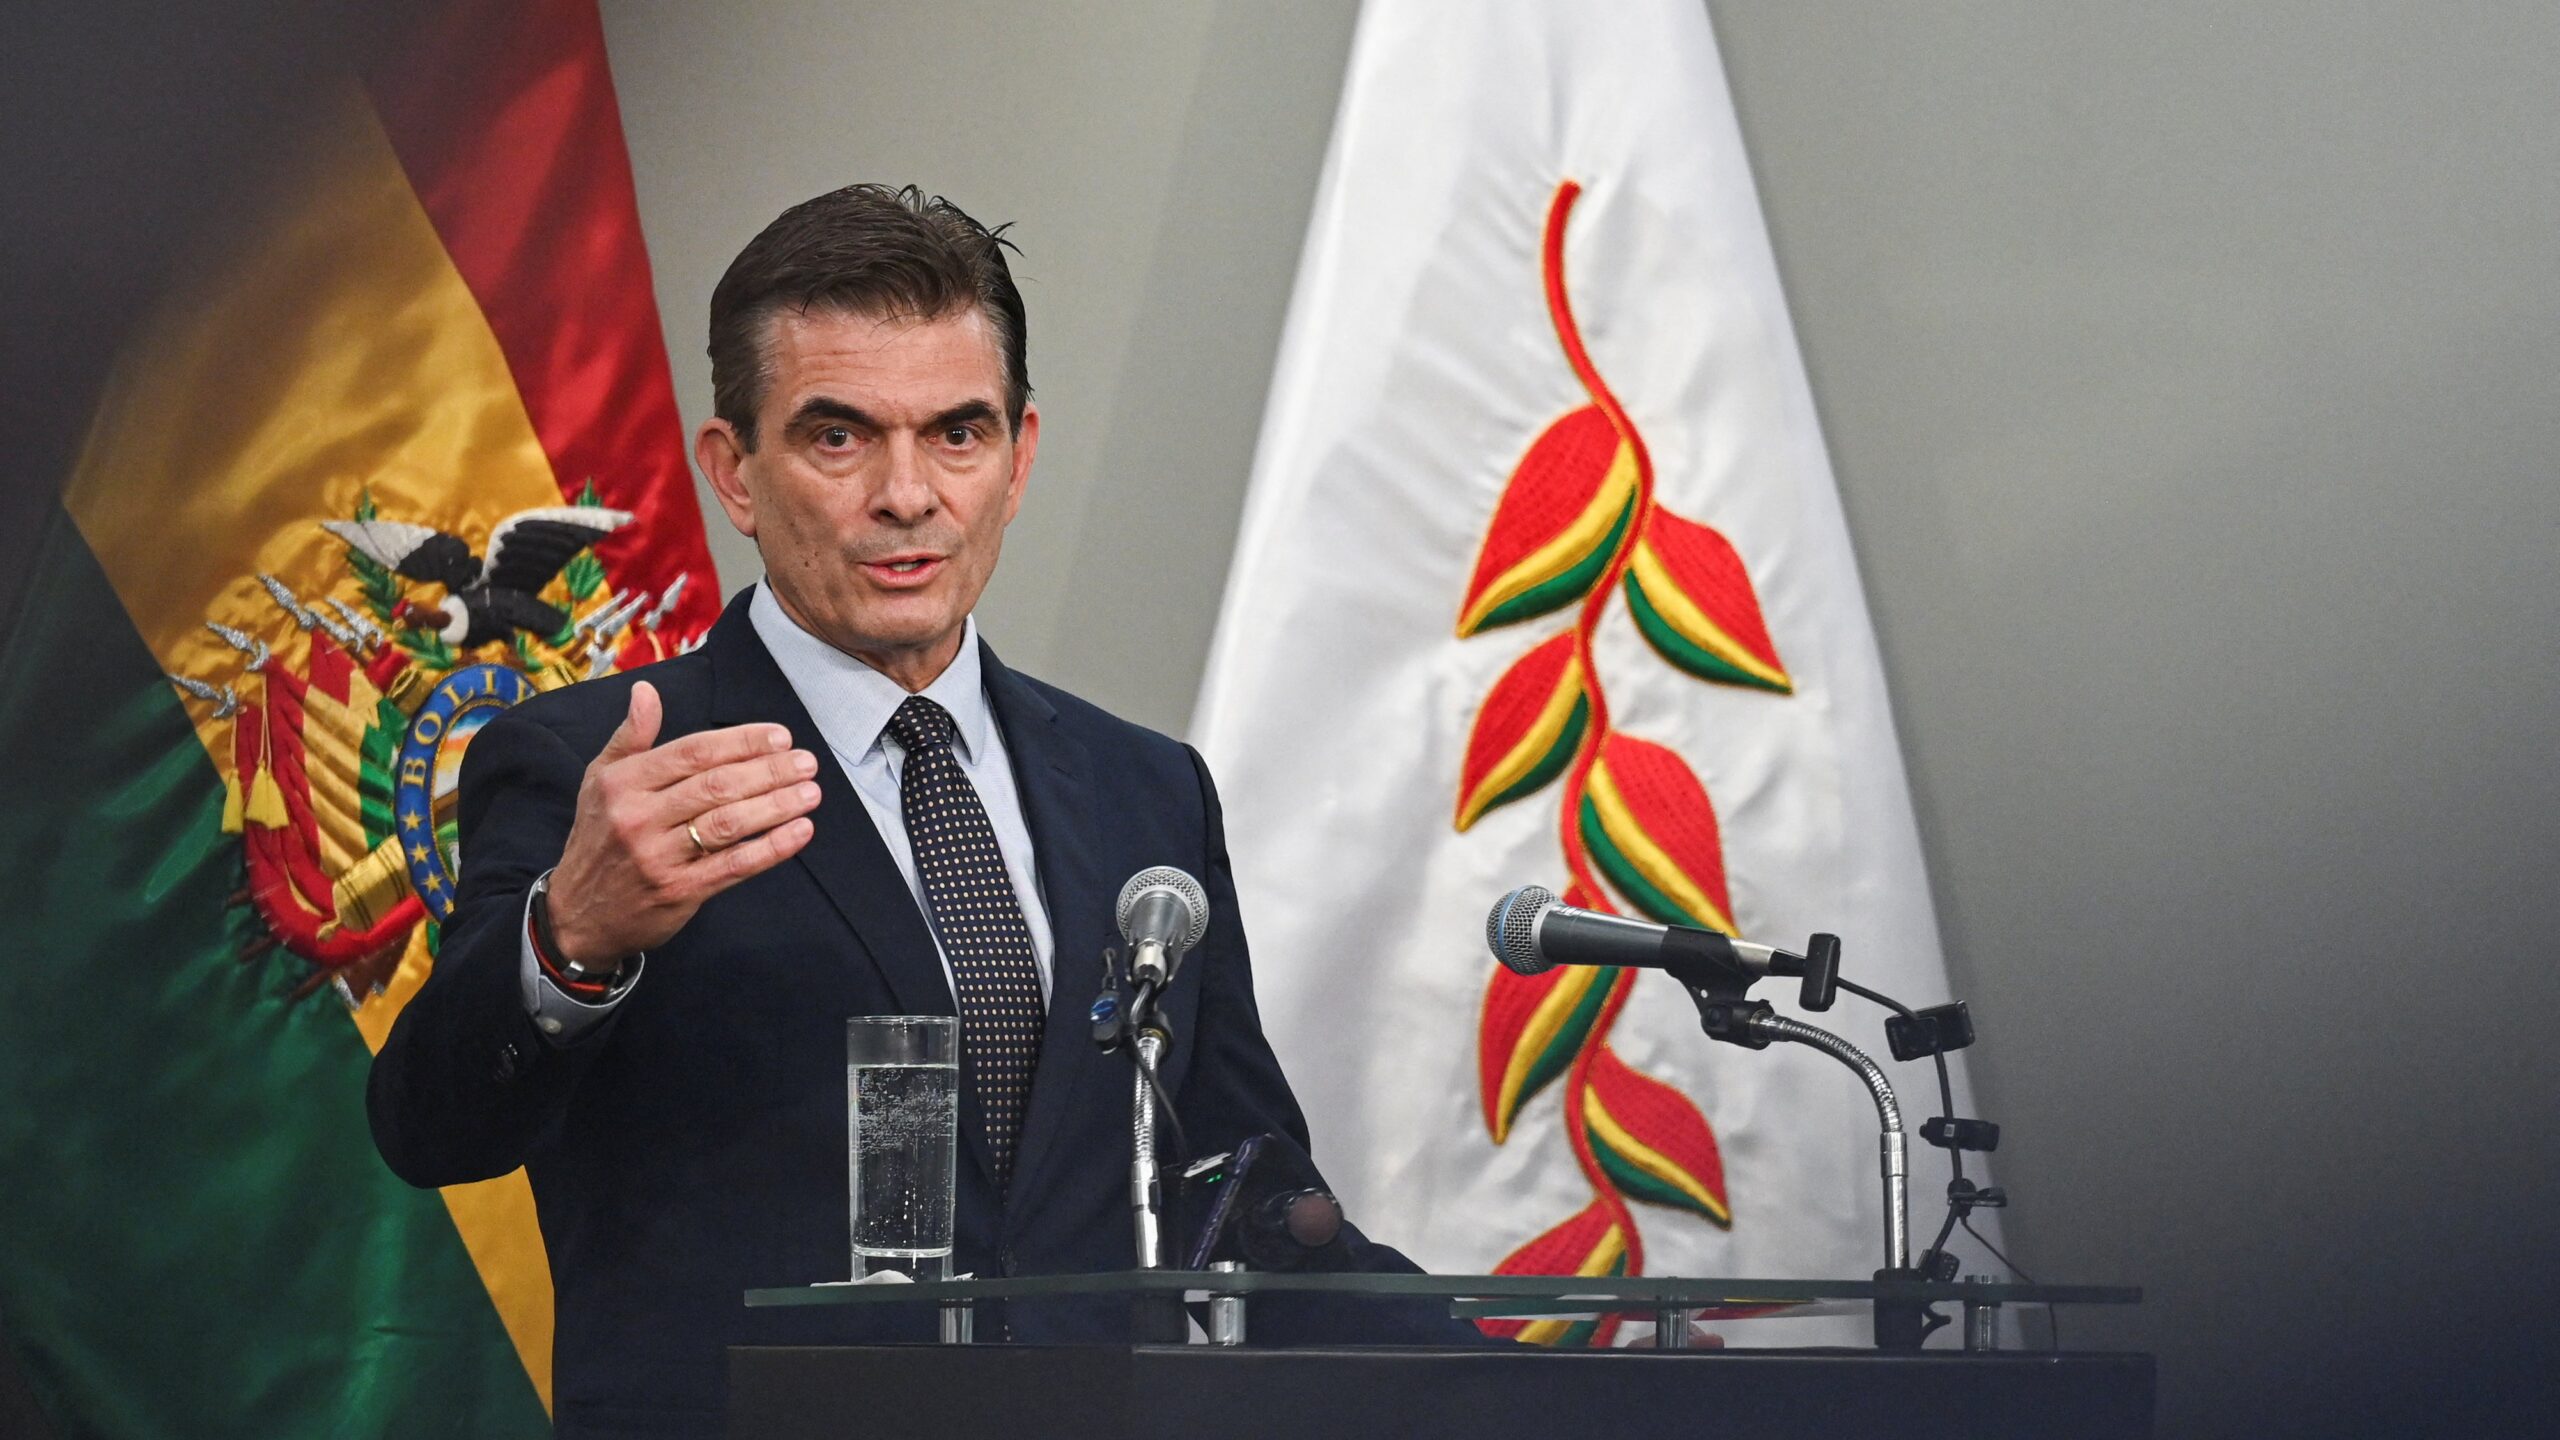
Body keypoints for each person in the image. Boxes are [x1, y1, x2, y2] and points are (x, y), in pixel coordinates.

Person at [367, 185, 1458, 1439]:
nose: (907, 493)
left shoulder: (1144, 786)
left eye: (956, 434)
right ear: (734, 472)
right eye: (838, 437)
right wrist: (571, 938)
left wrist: (1537, 1382)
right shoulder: (601, 770)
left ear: (1018, 457)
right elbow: (432, 1127)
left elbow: (1249, 1196)